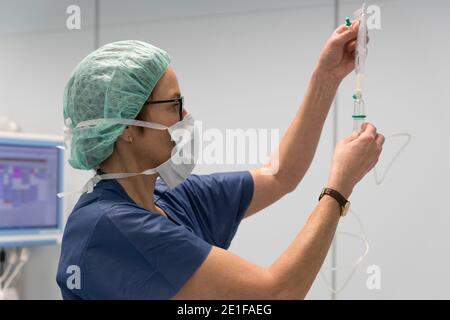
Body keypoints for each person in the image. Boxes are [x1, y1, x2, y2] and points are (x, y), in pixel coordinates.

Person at [56, 20, 384, 299]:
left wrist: (326, 77)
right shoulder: (110, 228)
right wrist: (339, 188)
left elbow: (280, 175)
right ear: (126, 126)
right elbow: (276, 293)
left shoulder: (169, 198)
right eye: (173, 104)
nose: (185, 116)